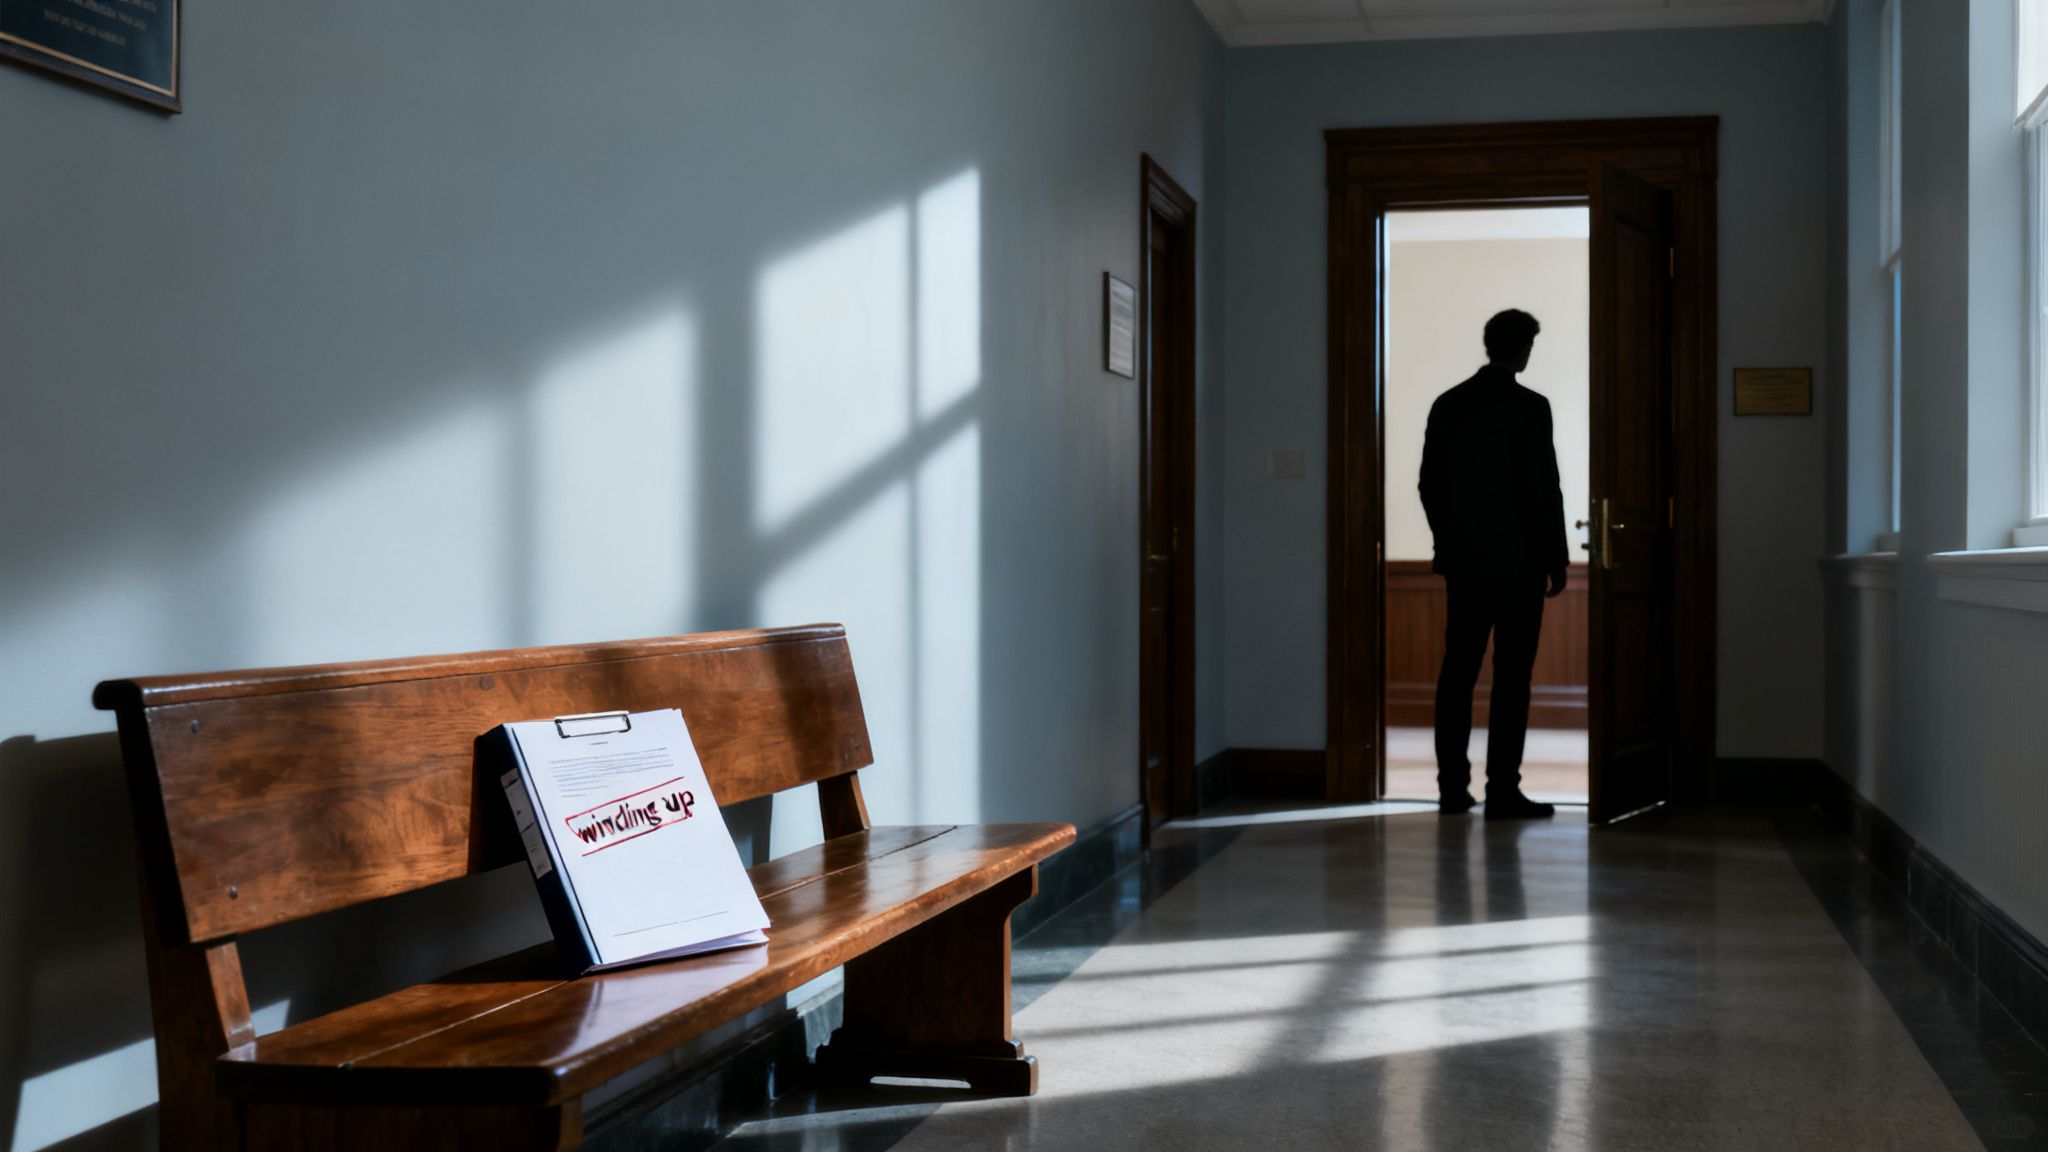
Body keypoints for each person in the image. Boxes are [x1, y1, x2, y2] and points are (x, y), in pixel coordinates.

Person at [1418, 308, 1568, 819]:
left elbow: (1429, 486)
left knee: (1456, 674)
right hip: (1522, 567)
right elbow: (1544, 490)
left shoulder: (1449, 404)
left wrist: (1450, 543)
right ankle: (1503, 789)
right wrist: (1557, 559)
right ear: (1522, 348)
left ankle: (1451, 790)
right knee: (1512, 679)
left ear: (1487, 345)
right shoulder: (1531, 408)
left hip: (1465, 567)